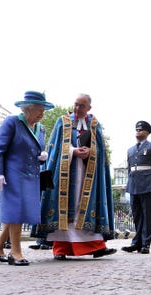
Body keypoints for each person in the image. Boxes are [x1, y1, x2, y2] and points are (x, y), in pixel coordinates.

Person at [32, 93, 116, 260]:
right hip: (65, 173)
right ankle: (61, 248)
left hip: (87, 174)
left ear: (89, 108)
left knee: (84, 207)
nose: (77, 108)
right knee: (64, 208)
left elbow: (100, 151)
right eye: (76, 104)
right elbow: (55, 146)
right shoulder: (62, 121)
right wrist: (73, 151)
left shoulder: (94, 124)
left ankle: (96, 246)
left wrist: (91, 152)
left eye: (82, 106)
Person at [0, 90, 54, 265]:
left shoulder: (41, 128)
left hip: (31, 176)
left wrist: (42, 156)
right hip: (12, 174)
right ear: (27, 109)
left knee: (17, 212)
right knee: (16, 211)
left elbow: (36, 149)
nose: (42, 114)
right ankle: (15, 252)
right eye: (39, 110)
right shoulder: (12, 122)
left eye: (44, 110)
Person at [121, 121, 151, 254]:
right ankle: (136, 243)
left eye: (141, 130)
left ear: (147, 132)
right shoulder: (131, 150)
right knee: (137, 215)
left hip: (147, 184)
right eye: (137, 130)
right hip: (134, 185)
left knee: (147, 215)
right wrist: (128, 185)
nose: (138, 131)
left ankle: (145, 244)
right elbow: (129, 169)